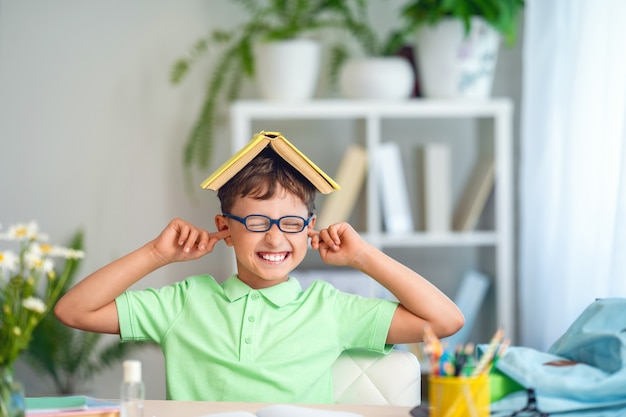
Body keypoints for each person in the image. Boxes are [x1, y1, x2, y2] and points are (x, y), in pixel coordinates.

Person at [55, 145, 463, 403]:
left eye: (290, 223)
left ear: (309, 228)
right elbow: (74, 311)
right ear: (225, 228)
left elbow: (445, 321)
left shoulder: (328, 308)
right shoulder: (183, 302)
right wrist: (156, 254)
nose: (273, 238)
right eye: (255, 222)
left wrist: (365, 257)